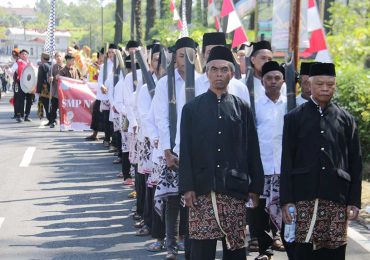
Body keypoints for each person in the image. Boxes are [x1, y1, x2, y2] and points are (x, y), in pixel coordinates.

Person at [179, 46, 264, 260]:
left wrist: (255, 186)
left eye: (224, 70)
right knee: (201, 251)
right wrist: (187, 187)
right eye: (214, 69)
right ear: (206, 73)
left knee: (235, 249)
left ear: (231, 74)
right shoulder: (191, 109)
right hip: (201, 190)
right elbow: (186, 150)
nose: (219, 74)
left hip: (233, 189)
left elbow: (252, 148)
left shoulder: (242, 107)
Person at [280, 62, 362, 260]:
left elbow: (355, 162)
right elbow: (287, 161)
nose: (325, 88)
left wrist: (353, 200)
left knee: (333, 251)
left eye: (330, 84)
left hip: (336, 195)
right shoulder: (294, 118)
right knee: (302, 250)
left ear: (335, 85)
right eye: (320, 84)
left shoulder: (346, 119)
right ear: (309, 85)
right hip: (303, 196)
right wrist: (286, 200)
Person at [254, 61, 287, 260]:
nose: (273, 82)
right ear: (262, 81)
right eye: (269, 78)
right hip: (263, 166)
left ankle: (288, 244)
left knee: (286, 209)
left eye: (277, 78)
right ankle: (264, 250)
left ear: (283, 81)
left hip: (284, 167)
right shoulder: (255, 106)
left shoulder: (291, 105)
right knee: (260, 211)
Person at [194, 32, 250, 104]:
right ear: (203, 55)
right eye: (210, 52)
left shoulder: (240, 88)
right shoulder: (195, 85)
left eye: (219, 51)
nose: (216, 56)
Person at [8, 49, 34, 122]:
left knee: (29, 100)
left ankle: (27, 115)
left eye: (25, 54)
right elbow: (11, 71)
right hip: (20, 83)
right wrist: (8, 69)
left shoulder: (30, 63)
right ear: (20, 55)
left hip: (29, 84)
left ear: (28, 55)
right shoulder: (17, 63)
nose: (24, 55)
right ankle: (19, 115)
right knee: (20, 99)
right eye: (22, 54)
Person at [86, 49, 104, 140]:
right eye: (100, 58)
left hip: (106, 94)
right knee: (95, 111)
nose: (101, 60)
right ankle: (95, 133)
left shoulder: (109, 66)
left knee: (106, 115)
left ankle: (108, 136)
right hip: (98, 93)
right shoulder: (93, 67)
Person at [48, 52, 65, 128]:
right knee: (54, 107)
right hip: (55, 91)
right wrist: (51, 78)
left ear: (63, 58)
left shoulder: (65, 67)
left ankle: (65, 121)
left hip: (64, 92)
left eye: (60, 56)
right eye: (57, 56)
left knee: (64, 107)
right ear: (55, 58)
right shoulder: (52, 68)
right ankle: (53, 121)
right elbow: (49, 78)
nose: (58, 58)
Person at [36, 53, 52, 124]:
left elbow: (40, 79)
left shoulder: (42, 66)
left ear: (42, 58)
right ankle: (52, 119)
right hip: (50, 87)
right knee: (49, 103)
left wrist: (38, 90)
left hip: (44, 88)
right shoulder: (51, 65)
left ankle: (50, 119)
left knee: (45, 103)